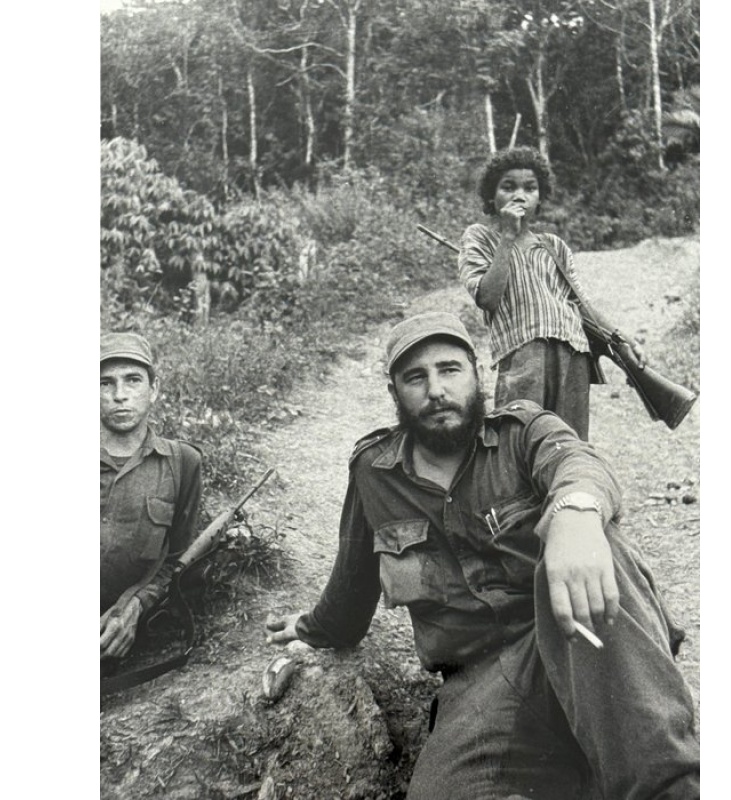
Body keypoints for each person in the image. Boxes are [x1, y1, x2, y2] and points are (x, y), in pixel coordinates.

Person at [265, 311, 699, 799]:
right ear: (394, 394)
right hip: (480, 685)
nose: (436, 390)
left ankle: (670, 783)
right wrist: (311, 628)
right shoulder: (374, 472)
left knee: (596, 543)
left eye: (449, 370)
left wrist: (576, 513)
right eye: (416, 377)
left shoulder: (523, 432)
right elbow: (349, 592)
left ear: (477, 374)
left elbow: (579, 463)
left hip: (570, 638)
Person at [458, 146, 645, 441]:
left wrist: (621, 339)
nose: (520, 194)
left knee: (568, 446)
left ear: (540, 198)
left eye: (530, 188)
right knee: (518, 442)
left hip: (573, 356)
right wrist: (507, 237)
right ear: (491, 198)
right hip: (523, 355)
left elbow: (581, 306)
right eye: (508, 187)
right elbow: (487, 297)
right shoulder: (480, 237)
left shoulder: (554, 246)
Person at [100, 332, 202, 664]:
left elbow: (177, 557)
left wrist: (136, 605)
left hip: (129, 642)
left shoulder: (183, 463)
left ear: (153, 390)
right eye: (105, 383)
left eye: (133, 381)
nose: (119, 396)